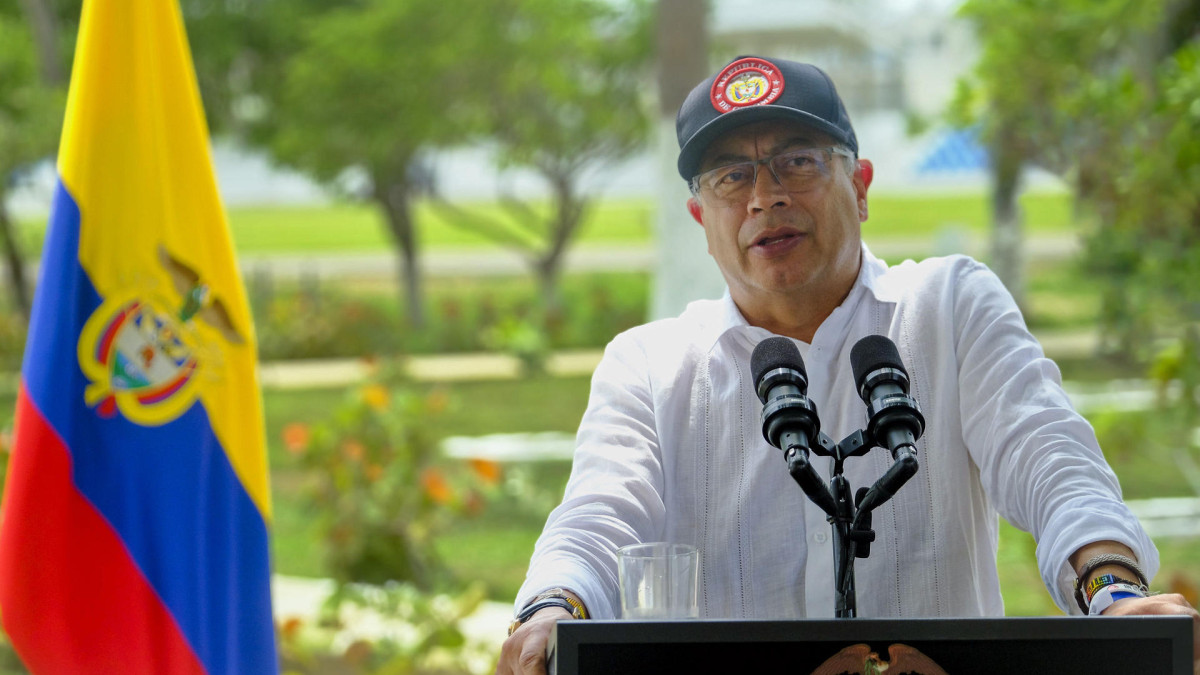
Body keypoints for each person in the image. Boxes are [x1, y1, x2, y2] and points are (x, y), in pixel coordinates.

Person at [496, 55, 1200, 674]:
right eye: (731, 175)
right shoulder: (648, 365)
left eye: (796, 162)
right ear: (700, 220)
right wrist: (555, 605)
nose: (764, 196)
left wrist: (1112, 591)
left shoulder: (949, 306)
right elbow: (598, 517)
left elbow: (1050, 458)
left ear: (859, 185)